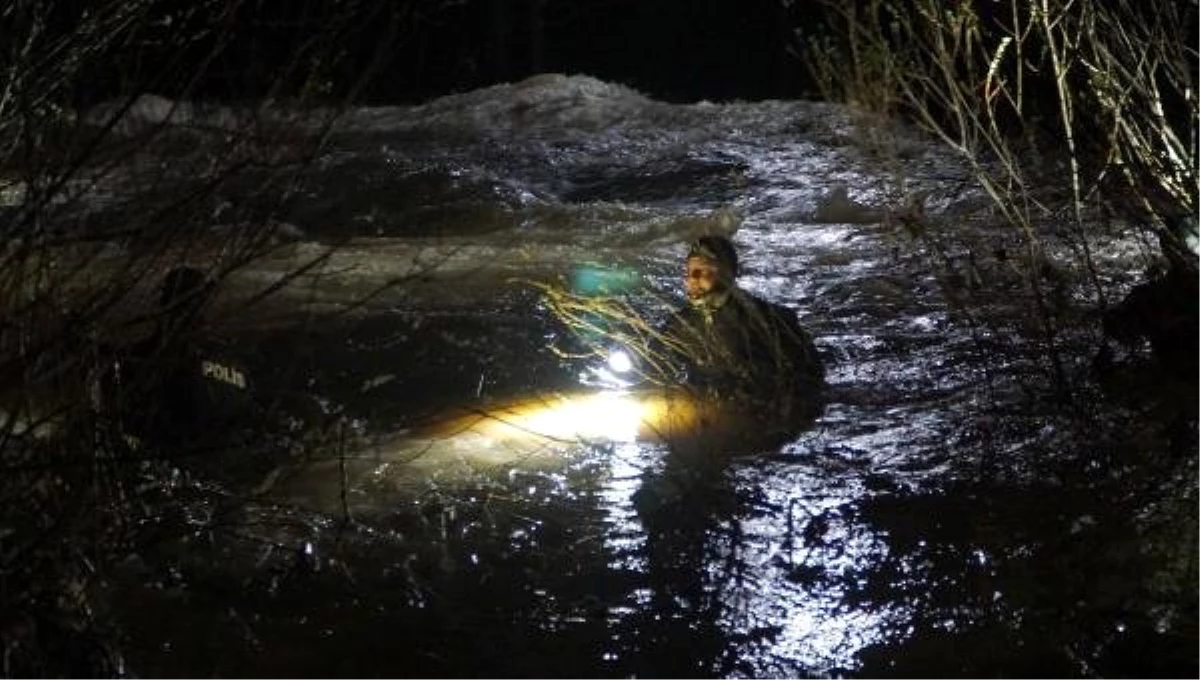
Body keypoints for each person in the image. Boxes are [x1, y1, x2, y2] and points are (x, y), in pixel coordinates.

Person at [655, 235, 825, 420]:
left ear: (726, 273)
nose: (691, 279)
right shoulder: (679, 323)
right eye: (688, 272)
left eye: (701, 271)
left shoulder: (766, 320)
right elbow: (655, 362)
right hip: (703, 412)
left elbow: (810, 373)